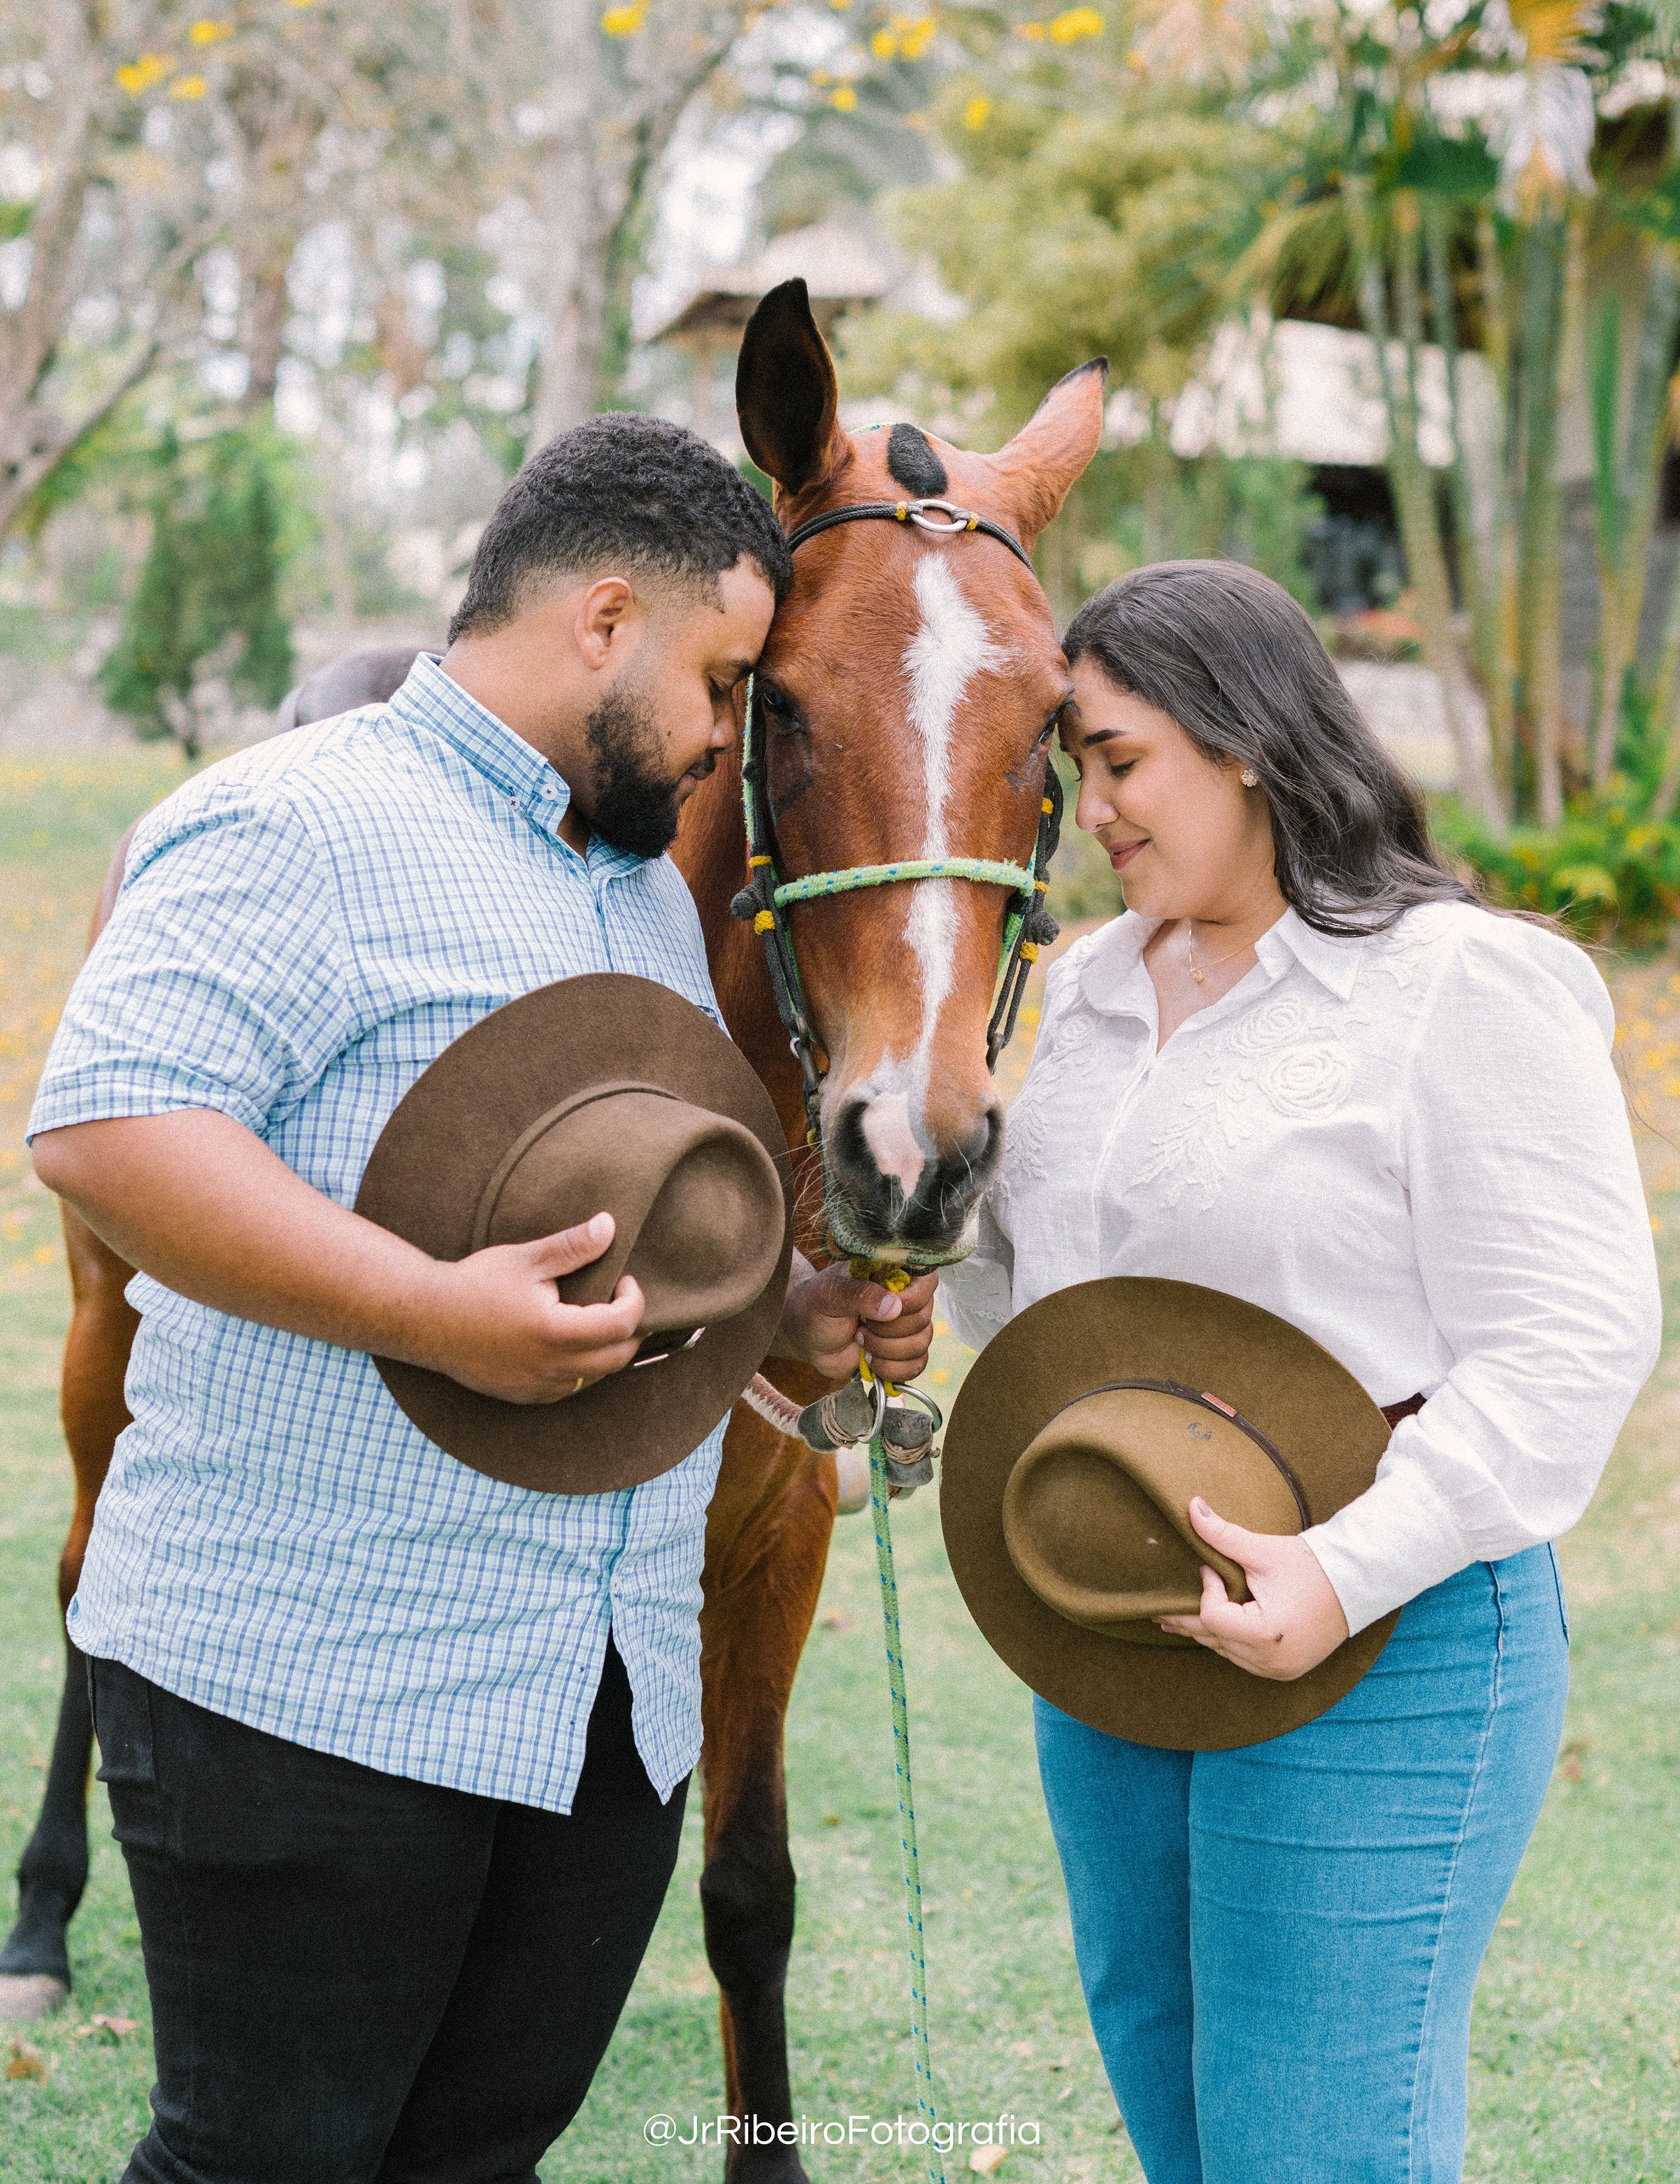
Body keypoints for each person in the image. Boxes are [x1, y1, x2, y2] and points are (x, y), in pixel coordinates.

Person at [28, 413, 936, 2184]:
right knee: (264, 2165)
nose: (720, 739)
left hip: (597, 1708)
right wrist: (436, 1314)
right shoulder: (292, 818)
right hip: (311, 1685)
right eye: (715, 681)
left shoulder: (643, 899)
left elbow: (603, 1219)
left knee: (477, 2162)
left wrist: (782, 1323)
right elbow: (111, 1130)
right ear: (603, 620)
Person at [939, 558, 1660, 2184]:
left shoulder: (1448, 984)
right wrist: (927, 1250)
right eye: (1075, 774)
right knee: (1177, 2109)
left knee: (1311, 2148)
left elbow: (1569, 1335)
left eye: (1117, 760)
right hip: (1112, 1622)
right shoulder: (1090, 991)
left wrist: (1343, 1573)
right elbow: (1058, 1297)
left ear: (1244, 736)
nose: (1089, 810)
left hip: (1382, 1634)